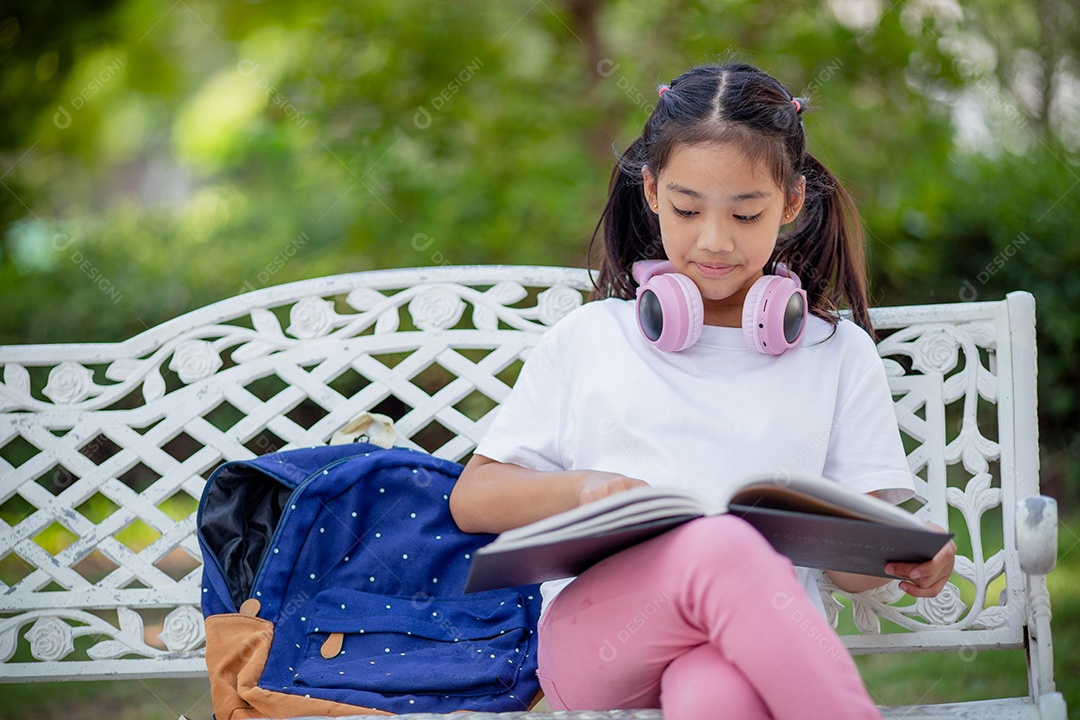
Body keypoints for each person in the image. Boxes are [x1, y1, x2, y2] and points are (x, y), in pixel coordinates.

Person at [449, 61, 956, 720]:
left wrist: (904, 558)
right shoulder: (592, 336)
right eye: (688, 209)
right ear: (653, 192)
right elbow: (472, 499)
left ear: (793, 204)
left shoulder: (836, 354)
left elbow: (848, 571)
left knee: (716, 696)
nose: (714, 241)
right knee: (721, 543)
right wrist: (584, 489)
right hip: (600, 643)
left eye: (746, 214)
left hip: (750, 645)